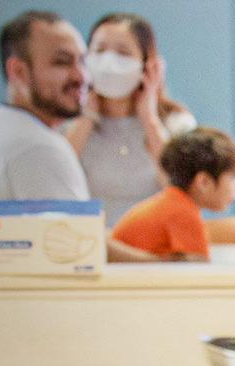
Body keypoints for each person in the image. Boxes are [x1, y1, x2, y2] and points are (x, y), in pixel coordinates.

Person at [63, 12, 198, 226]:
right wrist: (86, 117)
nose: (108, 62)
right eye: (99, 50)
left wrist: (149, 118)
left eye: (123, 52)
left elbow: (182, 192)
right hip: (91, 244)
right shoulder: (67, 122)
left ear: (147, 65)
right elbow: (57, 181)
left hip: (155, 247)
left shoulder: (176, 122)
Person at [0, 10, 90, 202]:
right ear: (18, 71)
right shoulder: (37, 147)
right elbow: (71, 232)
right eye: (62, 62)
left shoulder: (8, 129)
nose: (80, 76)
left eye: (82, 61)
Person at [110, 127, 235, 263]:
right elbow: (199, 273)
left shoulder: (171, 202)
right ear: (204, 182)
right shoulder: (183, 213)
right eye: (233, 178)